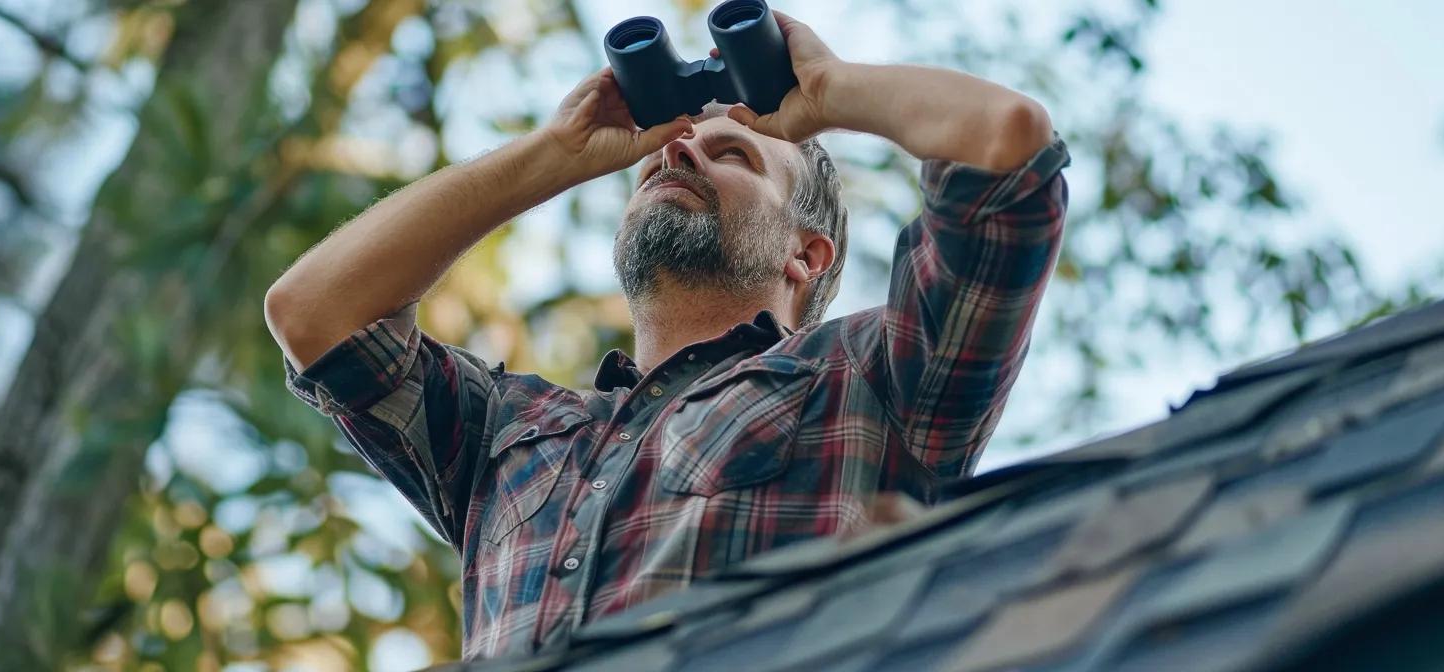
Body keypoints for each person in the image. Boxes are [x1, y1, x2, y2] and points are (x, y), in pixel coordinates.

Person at [263, 11, 1068, 661]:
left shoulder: (871, 375)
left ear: (805, 254)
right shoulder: (506, 432)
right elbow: (316, 313)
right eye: (665, 151)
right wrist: (555, 154)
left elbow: (1005, 148)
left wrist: (828, 90)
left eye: (733, 155)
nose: (678, 148)